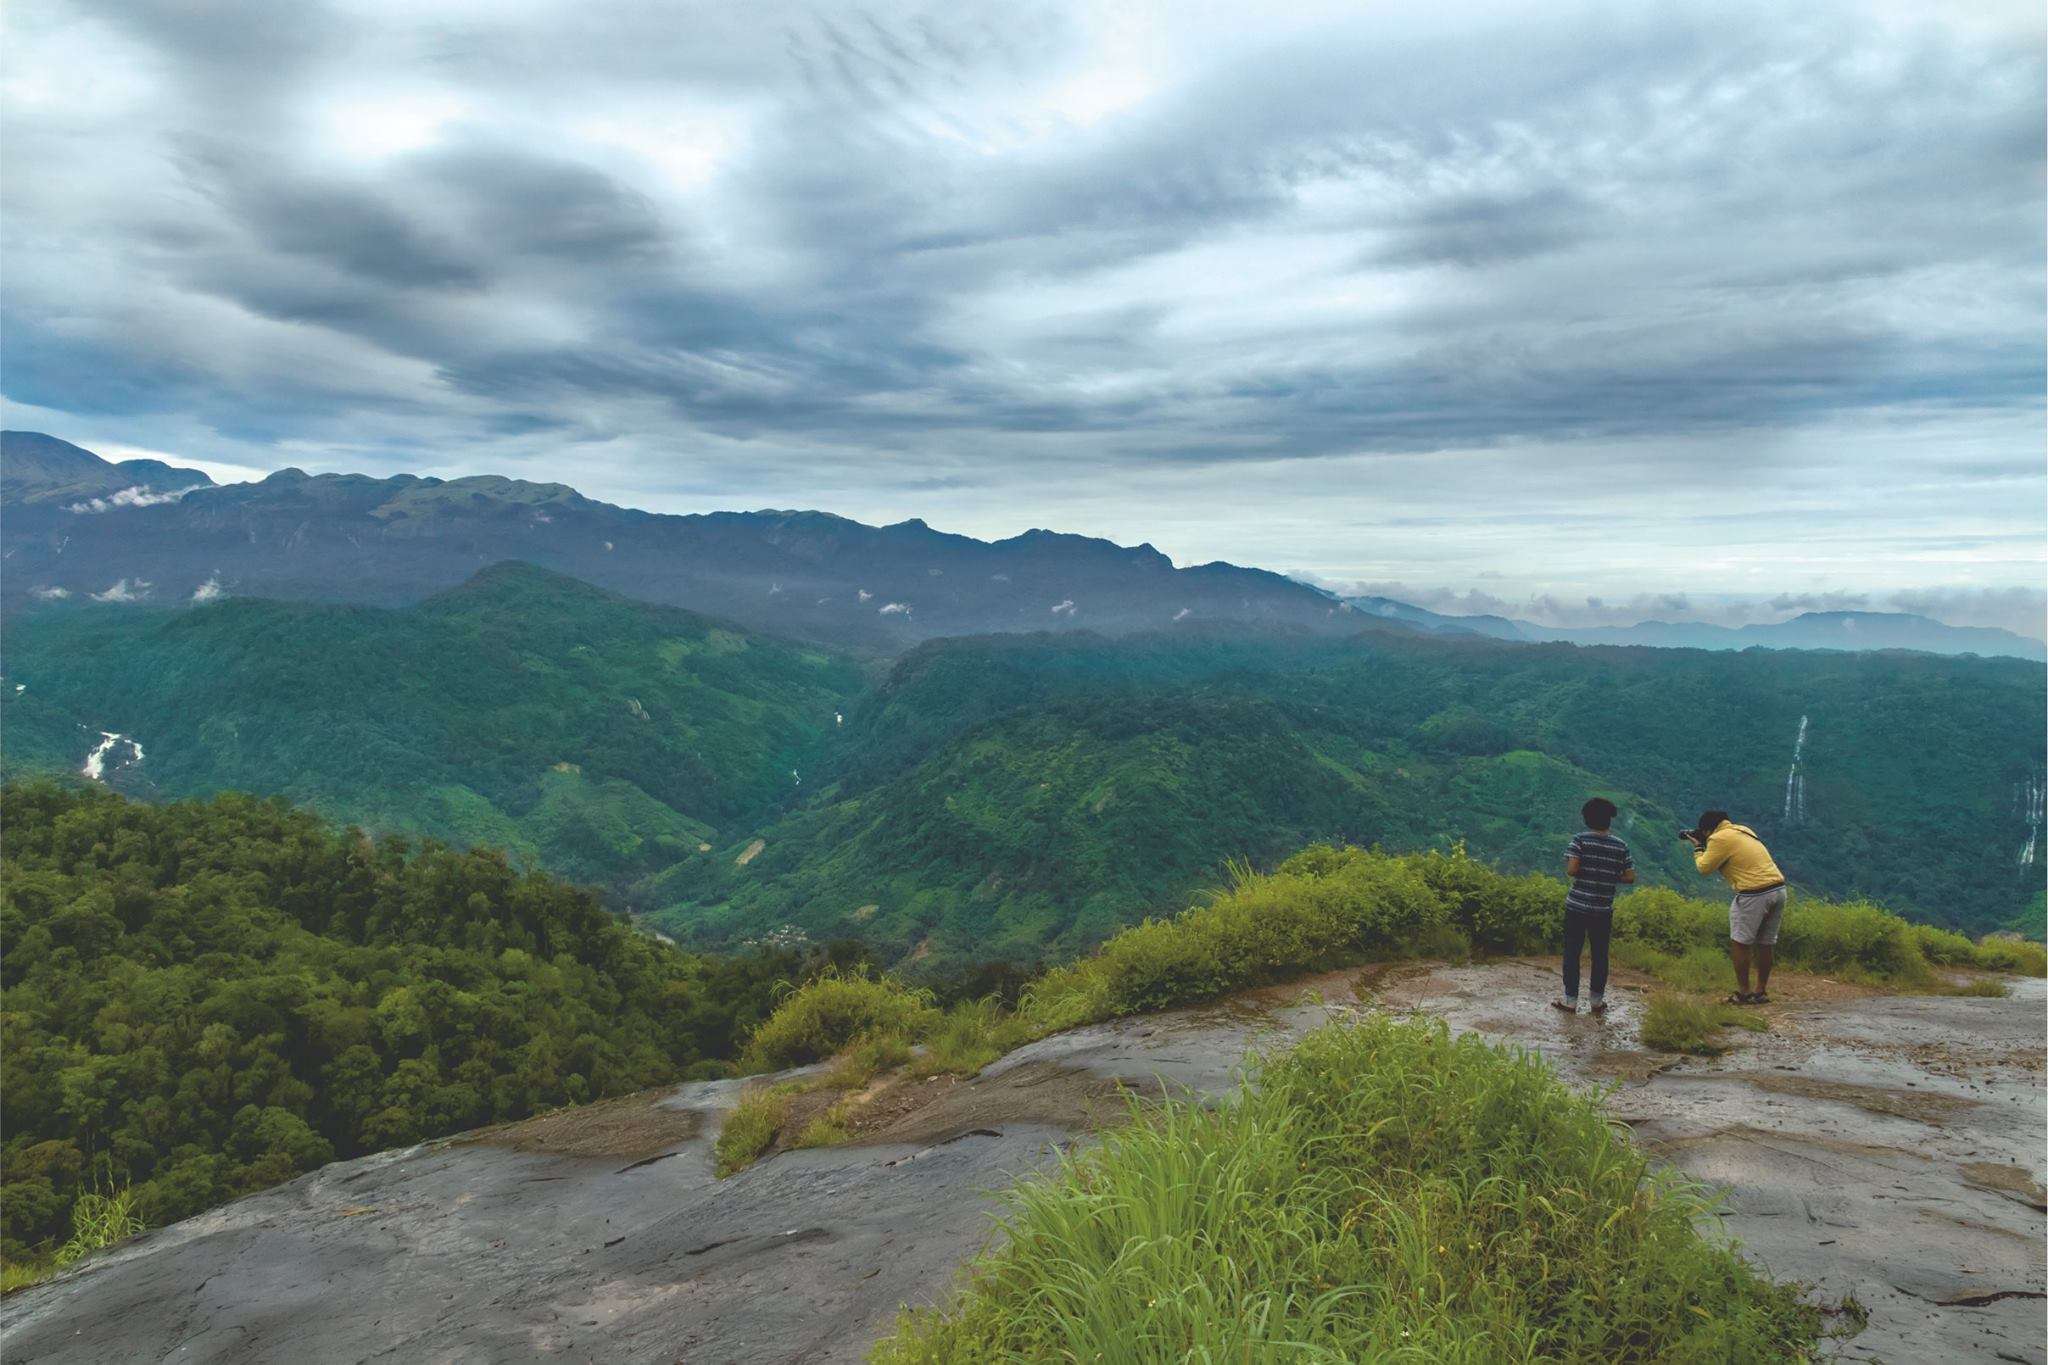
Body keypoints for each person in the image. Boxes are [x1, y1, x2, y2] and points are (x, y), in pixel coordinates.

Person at [1682, 810, 1787, 1004]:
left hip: (1754, 893)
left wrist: (1698, 847)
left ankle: (1744, 992)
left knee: (1740, 943)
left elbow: (1704, 868)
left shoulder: (1718, 838)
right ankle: (1761, 991)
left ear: (1707, 830)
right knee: (1765, 943)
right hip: (1778, 889)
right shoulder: (1743, 830)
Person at [1554, 797, 1634, 1015]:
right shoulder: (1620, 845)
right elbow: (1629, 877)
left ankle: (1570, 1002)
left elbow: (1572, 870)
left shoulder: (1579, 840)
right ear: (1609, 820)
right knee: (1600, 955)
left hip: (1577, 906)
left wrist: (1587, 869)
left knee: (1572, 953)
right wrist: (1609, 874)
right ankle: (1596, 1002)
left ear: (1587, 819)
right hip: (1603, 909)